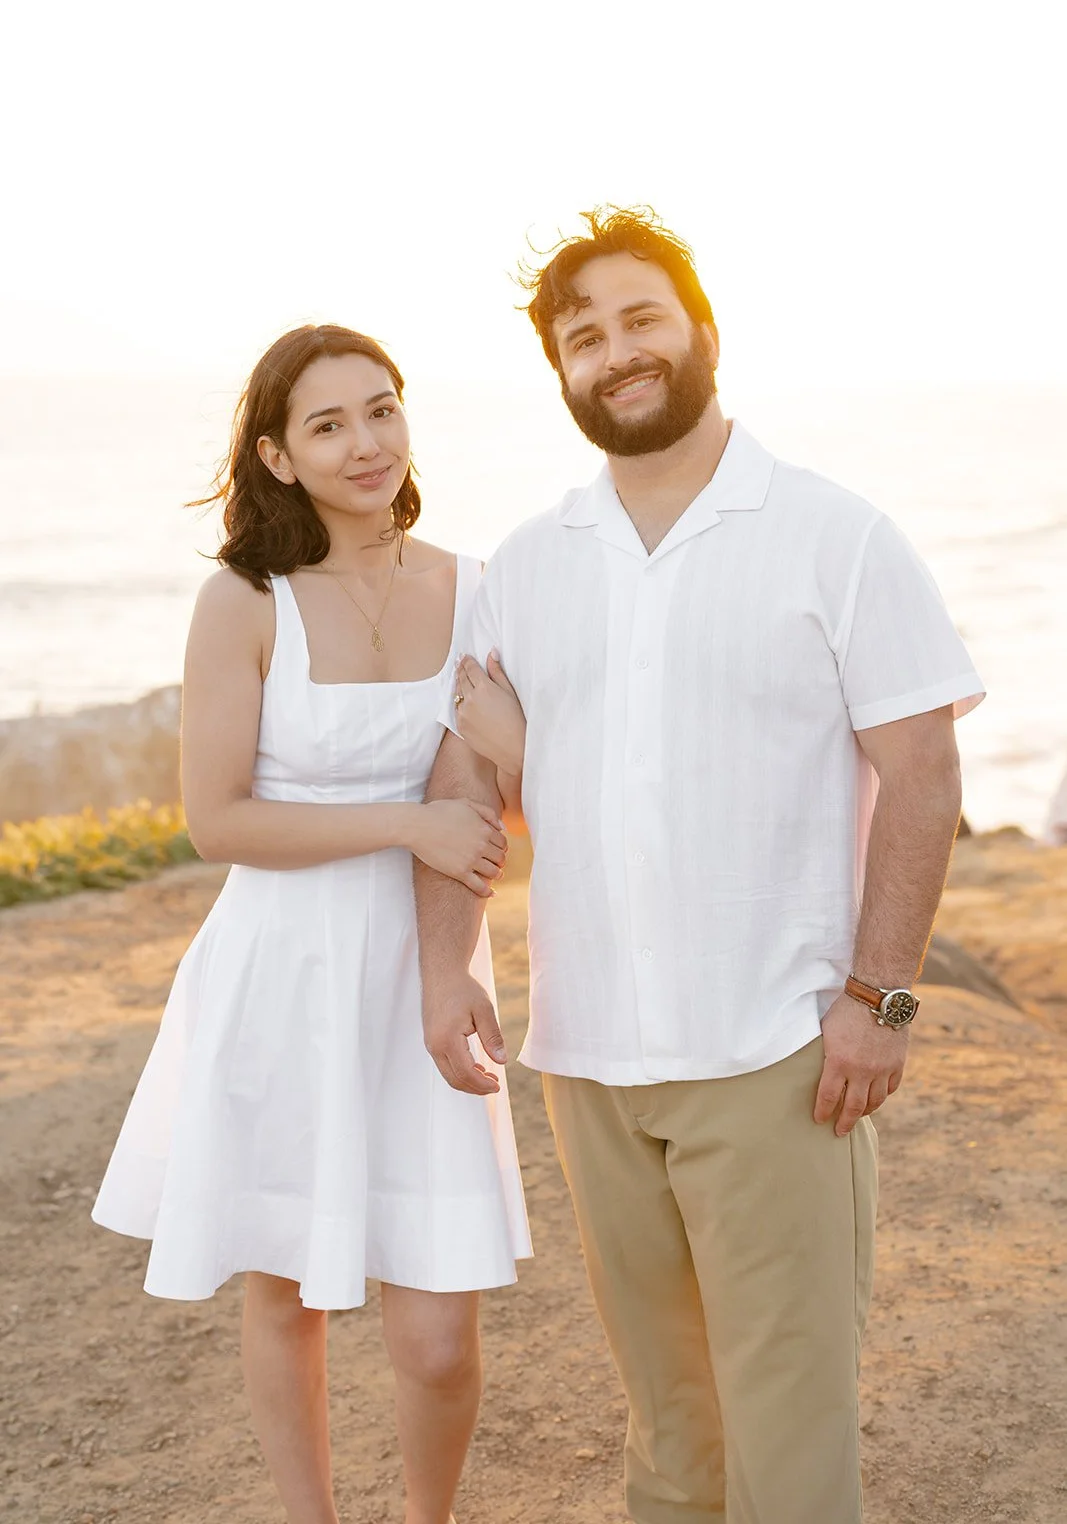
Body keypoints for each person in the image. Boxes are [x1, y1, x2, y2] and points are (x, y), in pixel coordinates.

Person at [414, 210, 984, 1524]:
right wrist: (450, 968)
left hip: (773, 1053)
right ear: (560, 374)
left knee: (786, 1443)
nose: (614, 354)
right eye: (582, 337)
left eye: (638, 319)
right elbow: (463, 791)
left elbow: (921, 776)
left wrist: (877, 996)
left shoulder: (834, 536)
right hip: (590, 1060)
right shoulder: (528, 564)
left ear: (702, 331)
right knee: (669, 1437)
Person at [92, 324, 531, 1524]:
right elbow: (217, 821)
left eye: (379, 411)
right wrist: (403, 828)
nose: (364, 443)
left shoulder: (475, 585)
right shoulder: (243, 600)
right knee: (287, 1289)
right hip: (281, 969)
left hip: (419, 968)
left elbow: (478, 796)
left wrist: (451, 945)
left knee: (437, 1332)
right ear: (279, 457)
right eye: (328, 424)